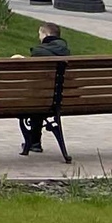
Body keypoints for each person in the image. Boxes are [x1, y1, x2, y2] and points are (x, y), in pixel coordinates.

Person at [16, 21, 70, 155]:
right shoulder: (66, 52)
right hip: (64, 100)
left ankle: (34, 142)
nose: (39, 38)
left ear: (46, 34)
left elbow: (34, 78)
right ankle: (34, 143)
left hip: (43, 99)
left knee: (38, 100)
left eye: (40, 34)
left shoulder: (40, 52)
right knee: (42, 98)